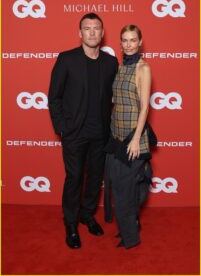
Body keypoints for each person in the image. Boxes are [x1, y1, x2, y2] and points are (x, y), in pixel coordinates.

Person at [48, 13, 118, 249]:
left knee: (94, 179)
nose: (91, 32)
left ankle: (87, 215)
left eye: (96, 28)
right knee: (75, 177)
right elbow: (54, 97)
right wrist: (62, 128)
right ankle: (70, 223)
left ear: (102, 32)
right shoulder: (66, 59)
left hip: (101, 134)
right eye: (86, 28)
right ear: (80, 33)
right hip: (74, 134)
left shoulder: (110, 63)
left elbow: (114, 97)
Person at [104, 25, 153, 249]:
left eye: (133, 40)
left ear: (140, 42)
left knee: (125, 192)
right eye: (124, 40)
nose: (129, 44)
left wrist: (135, 140)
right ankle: (128, 224)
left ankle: (131, 238)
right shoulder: (122, 66)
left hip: (133, 138)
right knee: (117, 186)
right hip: (116, 136)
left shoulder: (143, 68)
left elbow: (144, 108)